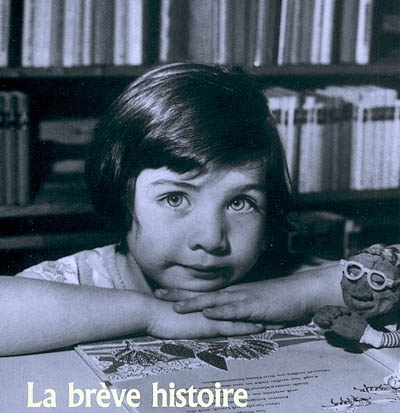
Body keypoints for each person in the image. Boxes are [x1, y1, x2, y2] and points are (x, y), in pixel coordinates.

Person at [0, 63, 343, 356]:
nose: (211, 239)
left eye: (240, 203)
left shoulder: (281, 284)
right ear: (122, 195)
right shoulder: (80, 280)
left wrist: (304, 293)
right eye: (175, 198)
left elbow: (376, 276)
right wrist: (151, 314)